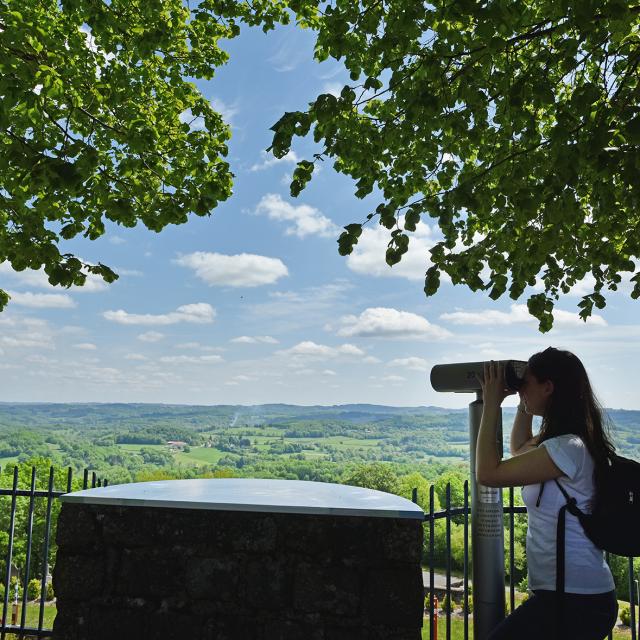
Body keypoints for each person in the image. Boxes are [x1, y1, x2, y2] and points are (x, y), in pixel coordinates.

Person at [476, 347, 618, 640]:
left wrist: (491, 404)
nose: (521, 389)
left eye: (526, 382)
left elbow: (489, 473)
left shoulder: (567, 448)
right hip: (572, 597)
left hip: (575, 600)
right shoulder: (571, 441)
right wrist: (521, 403)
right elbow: (520, 449)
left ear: (548, 387)